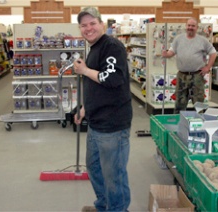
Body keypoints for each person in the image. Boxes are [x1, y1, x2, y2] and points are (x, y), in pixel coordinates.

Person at [73, 6, 132, 212]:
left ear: (102, 24)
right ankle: (104, 205)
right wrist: (84, 109)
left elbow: (113, 78)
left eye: (92, 23)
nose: (88, 28)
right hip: (96, 122)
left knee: (113, 175)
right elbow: (96, 85)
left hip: (113, 125)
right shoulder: (95, 47)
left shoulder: (112, 46)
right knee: (95, 169)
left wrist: (85, 70)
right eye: (84, 25)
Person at [162, 17, 217, 114]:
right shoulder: (178, 39)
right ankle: (179, 121)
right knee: (180, 101)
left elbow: (213, 53)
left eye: (193, 26)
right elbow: (172, 52)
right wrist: (166, 54)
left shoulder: (203, 40)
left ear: (197, 27)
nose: (190, 27)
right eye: (189, 25)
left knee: (199, 101)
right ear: (185, 26)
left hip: (197, 75)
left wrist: (208, 67)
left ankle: (200, 122)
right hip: (182, 75)